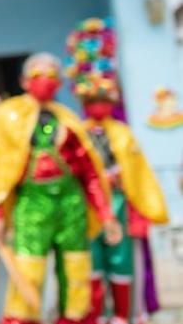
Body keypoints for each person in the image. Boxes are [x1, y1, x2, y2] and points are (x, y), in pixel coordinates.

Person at [0, 52, 119, 324]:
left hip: (70, 204)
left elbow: (89, 173)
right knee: (28, 271)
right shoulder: (7, 116)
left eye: (52, 76)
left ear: (60, 83)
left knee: (76, 271)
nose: (46, 81)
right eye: (39, 75)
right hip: (31, 203)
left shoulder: (69, 120)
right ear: (24, 80)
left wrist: (106, 214)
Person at [65, 20, 168, 324]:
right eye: (92, 100)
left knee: (124, 264)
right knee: (92, 264)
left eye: (103, 99)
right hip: (89, 210)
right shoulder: (77, 133)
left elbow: (139, 175)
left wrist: (142, 209)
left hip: (122, 206)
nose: (98, 105)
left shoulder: (123, 133)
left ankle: (126, 316)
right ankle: (96, 315)